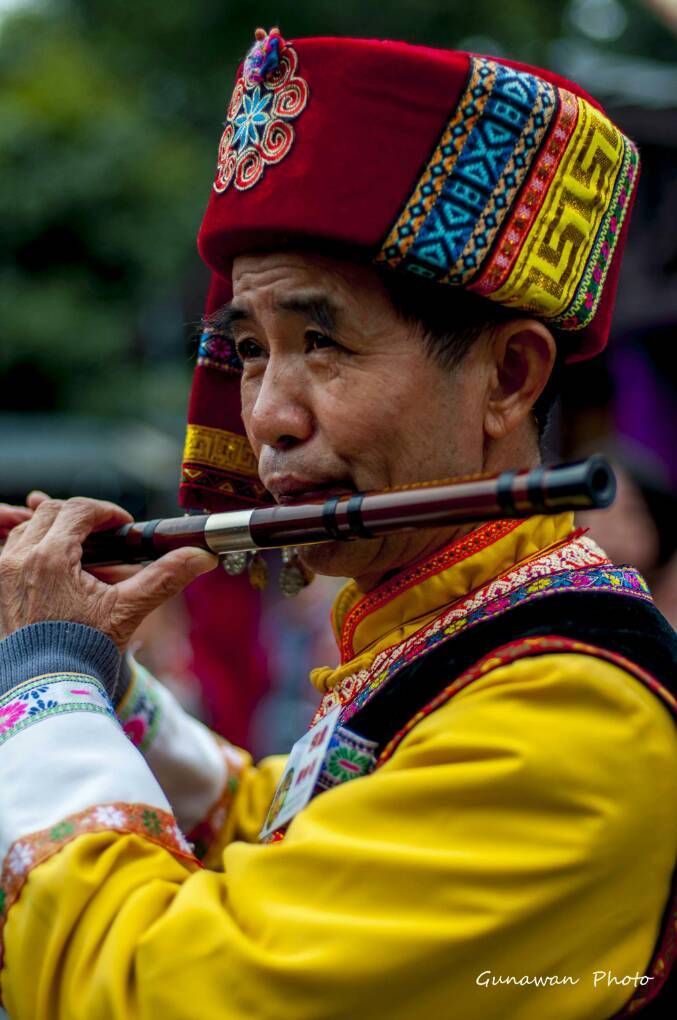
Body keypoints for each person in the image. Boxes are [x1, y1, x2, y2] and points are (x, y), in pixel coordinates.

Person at [0, 28, 675, 1020]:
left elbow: (154, 988)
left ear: (508, 376)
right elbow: (283, 827)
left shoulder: (565, 722)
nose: (268, 414)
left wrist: (41, 686)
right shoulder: (443, 635)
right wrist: (102, 677)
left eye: (320, 343)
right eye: (250, 351)